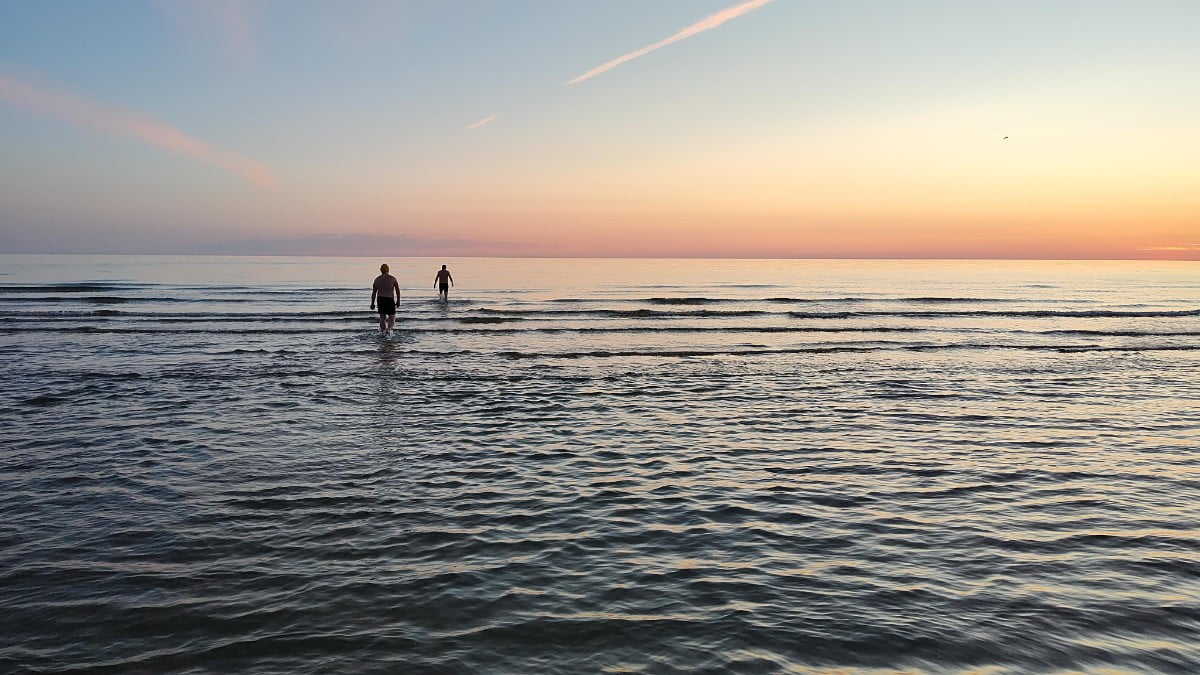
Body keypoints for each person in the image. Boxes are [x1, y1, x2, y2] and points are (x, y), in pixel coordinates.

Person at [371, 263, 400, 334]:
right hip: (389, 299)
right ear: (388, 270)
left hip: (380, 299)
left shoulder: (377, 280)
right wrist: (398, 301)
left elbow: (374, 293)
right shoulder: (393, 279)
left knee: (382, 318)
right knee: (392, 317)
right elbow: (397, 291)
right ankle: (389, 329)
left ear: (381, 270)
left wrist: (372, 303)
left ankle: (383, 331)